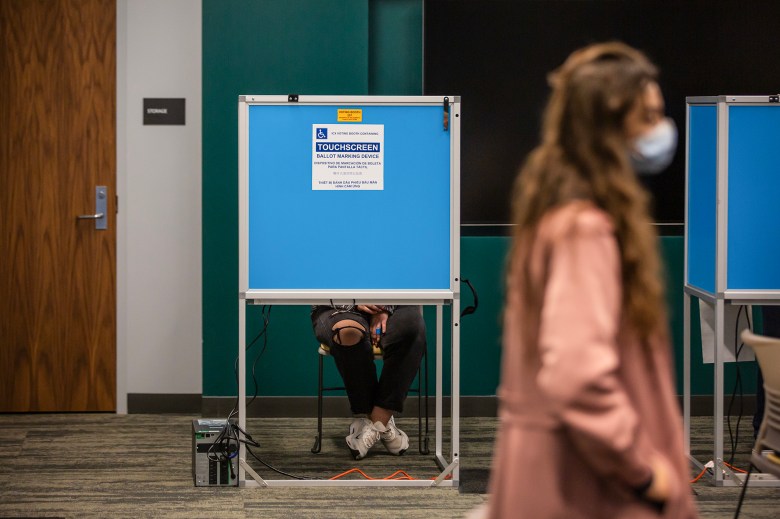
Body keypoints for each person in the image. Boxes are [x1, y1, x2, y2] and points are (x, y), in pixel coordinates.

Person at [475, 43, 698, 518]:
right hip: (585, 486)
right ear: (610, 123)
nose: (663, 130)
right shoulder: (585, 228)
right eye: (650, 115)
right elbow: (576, 374)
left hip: (556, 473)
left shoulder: (553, 214)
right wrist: (642, 470)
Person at [310, 304, 425, 459]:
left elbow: (410, 281)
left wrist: (384, 308)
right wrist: (357, 300)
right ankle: (381, 425)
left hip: (395, 304)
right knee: (347, 332)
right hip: (338, 307)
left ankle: (375, 422)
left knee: (412, 329)